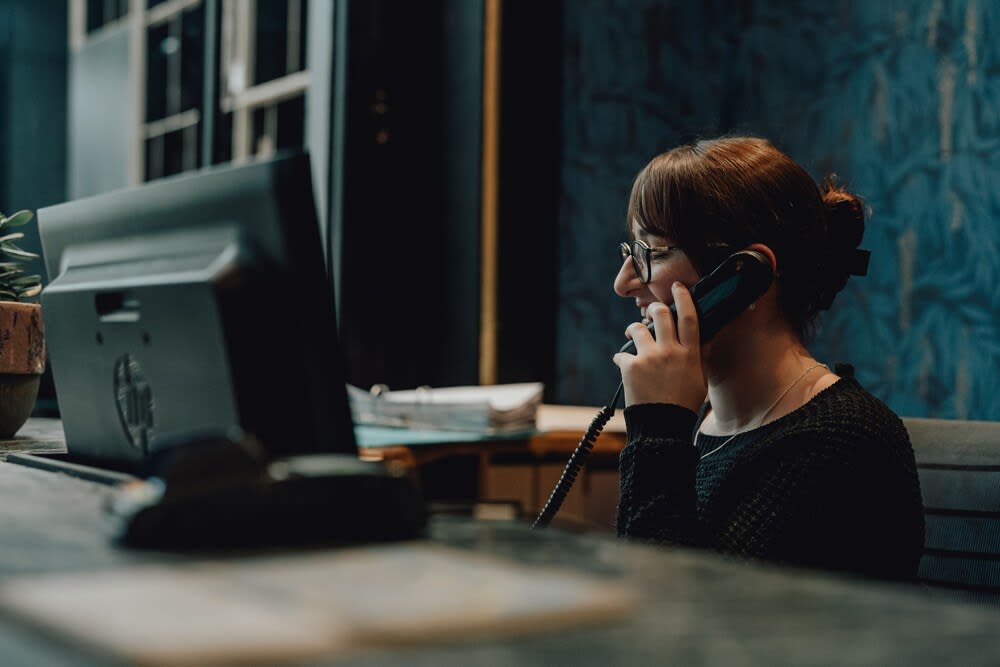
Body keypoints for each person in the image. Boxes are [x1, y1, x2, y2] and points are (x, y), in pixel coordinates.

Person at [611, 136, 924, 581]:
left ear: (745, 275)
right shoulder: (704, 424)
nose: (623, 283)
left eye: (653, 252)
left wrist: (658, 428)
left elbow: (680, 621)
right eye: (630, 252)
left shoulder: (840, 439)